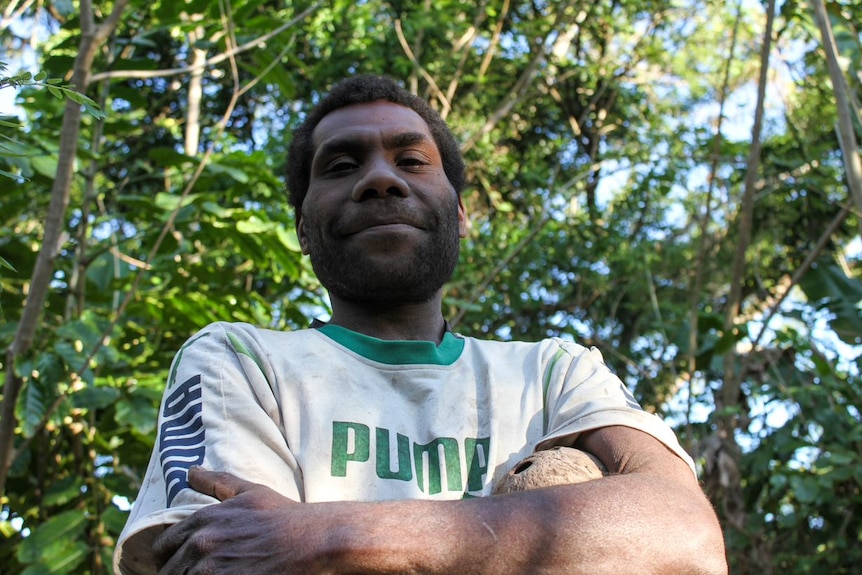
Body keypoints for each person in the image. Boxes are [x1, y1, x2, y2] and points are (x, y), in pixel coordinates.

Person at [113, 74, 727, 574]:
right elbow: (222, 560)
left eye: (411, 159)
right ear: (303, 228)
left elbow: (685, 534)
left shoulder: (555, 372)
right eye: (340, 166)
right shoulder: (239, 361)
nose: (380, 179)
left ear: (460, 214)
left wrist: (322, 536)